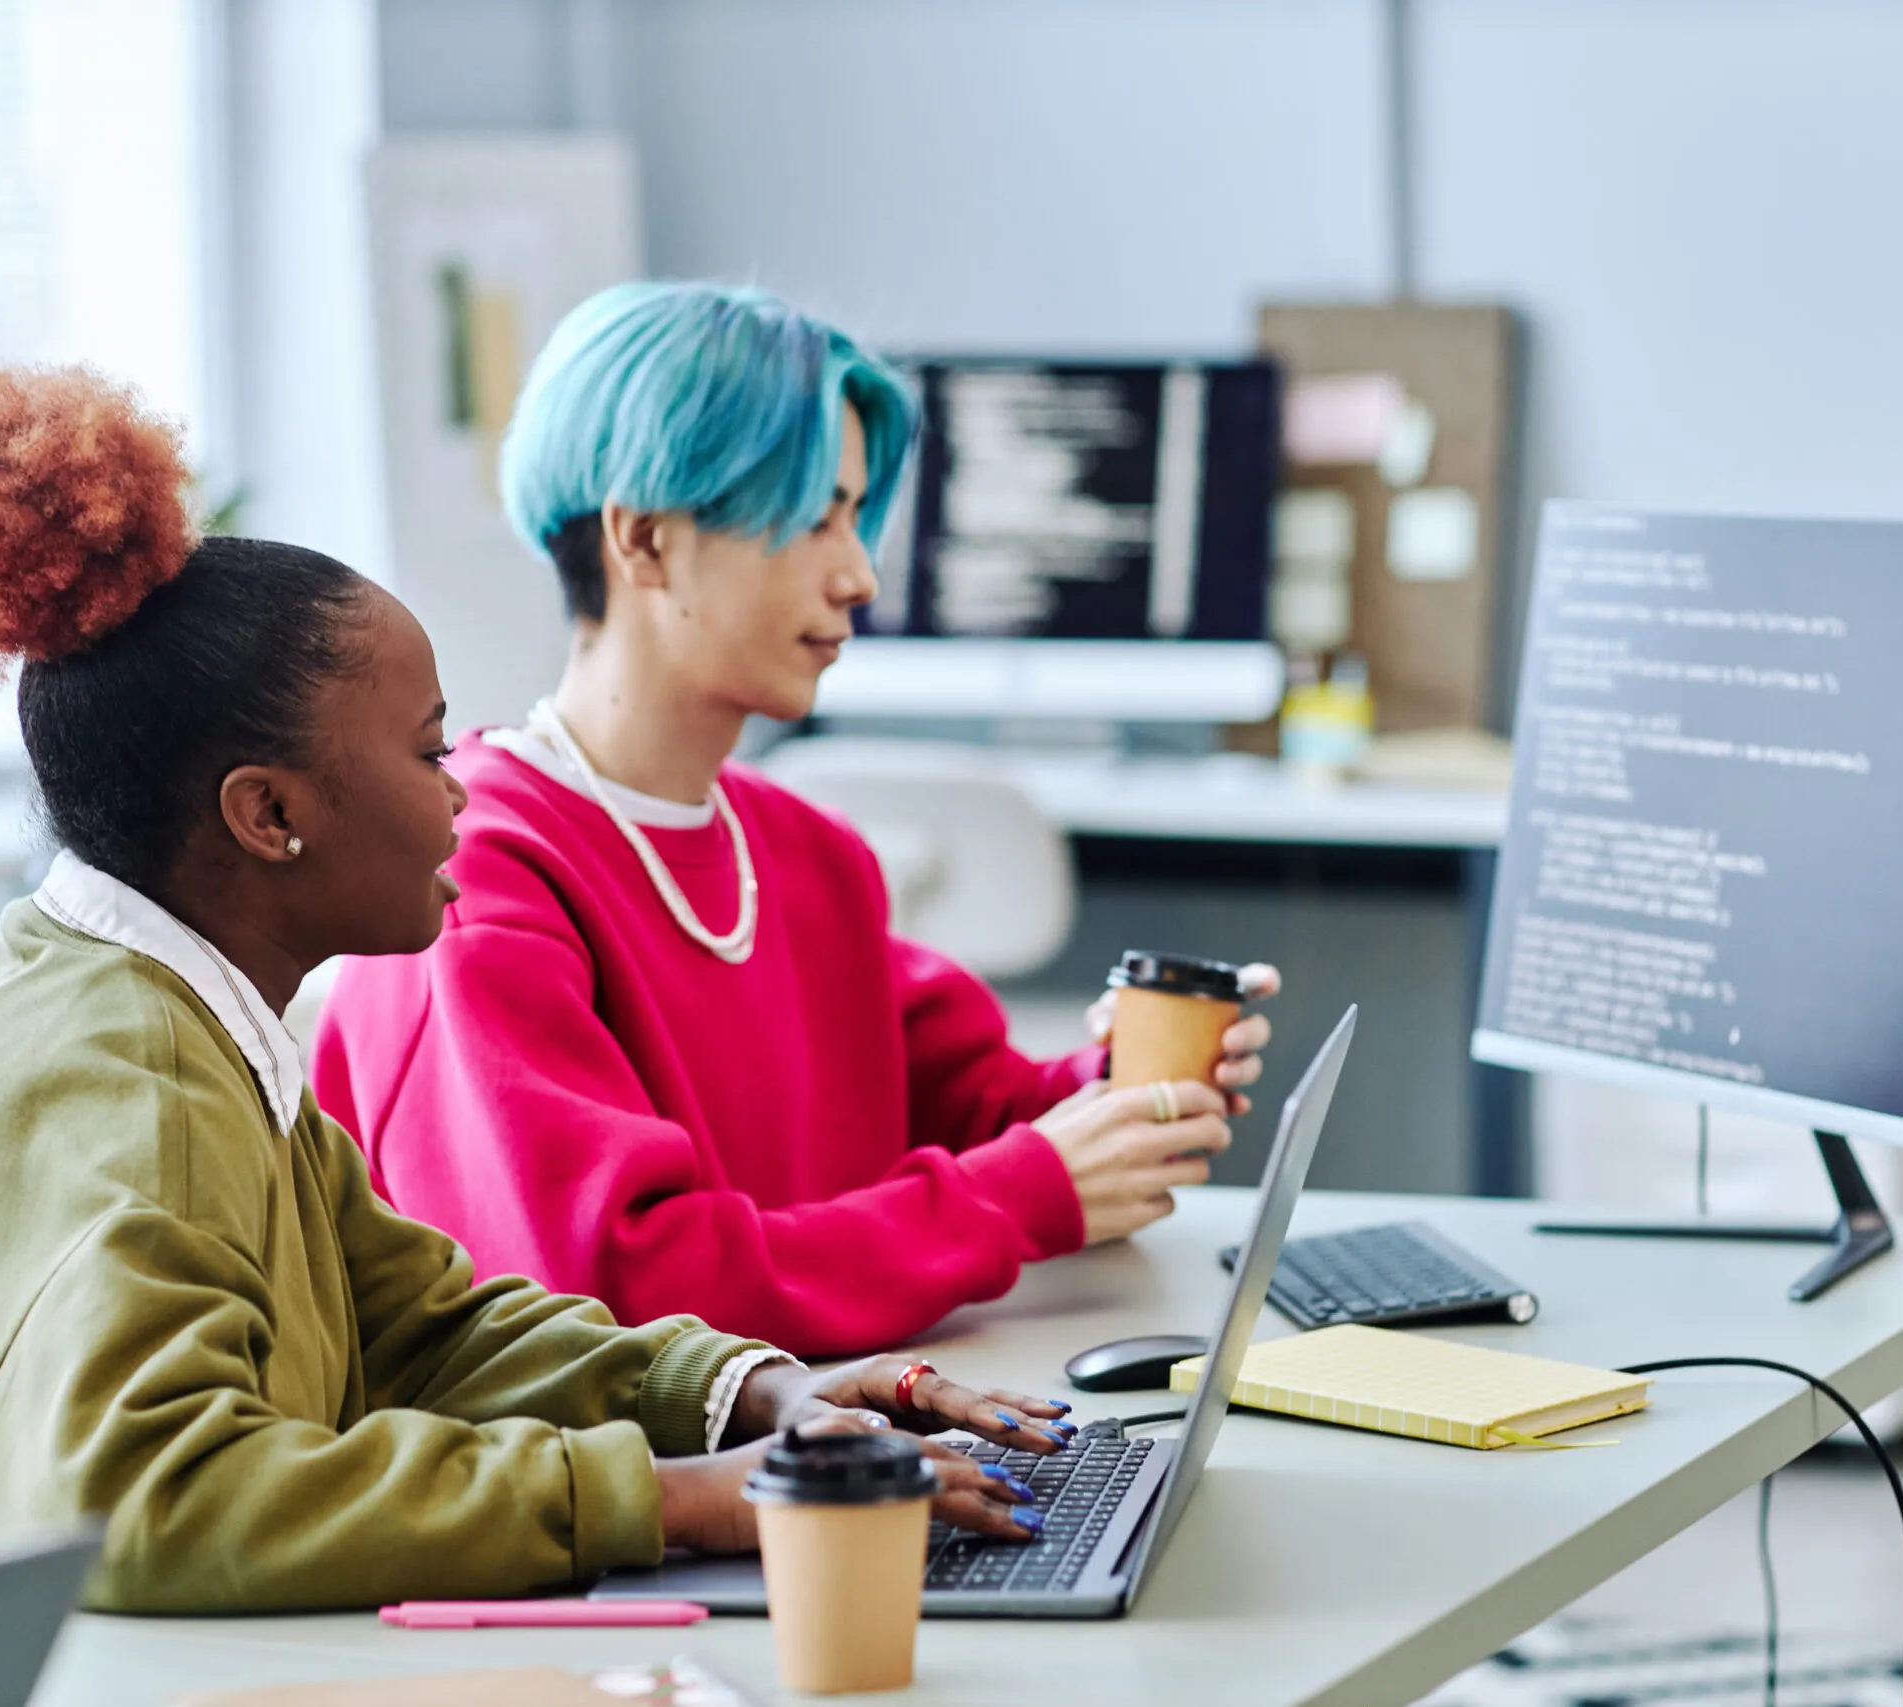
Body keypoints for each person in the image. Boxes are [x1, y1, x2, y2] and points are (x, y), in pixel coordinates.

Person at [0, 366, 1068, 1613]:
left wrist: (747, 1391)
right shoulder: (122, 1079)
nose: (459, 786)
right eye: (421, 751)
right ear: (268, 813)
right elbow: (153, 1505)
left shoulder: (178, 1010)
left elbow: (422, 1319)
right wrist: (679, 1499)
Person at [314, 282, 1281, 1360]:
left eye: (855, 519)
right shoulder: (476, 876)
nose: (860, 574)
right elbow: (623, 1297)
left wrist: (1120, 1092)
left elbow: (977, 1109)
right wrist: (1023, 1194)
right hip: (632, 1502)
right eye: (814, 519)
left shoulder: (804, 854)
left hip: (824, 1441)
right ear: (644, 541)